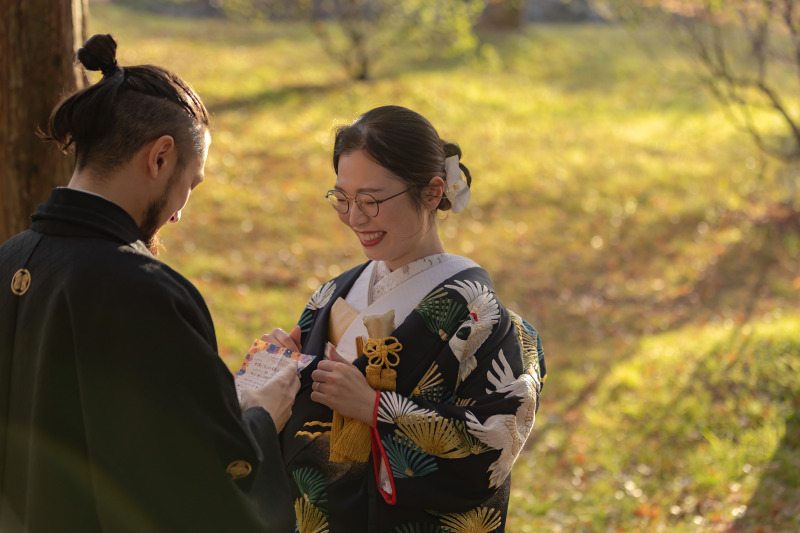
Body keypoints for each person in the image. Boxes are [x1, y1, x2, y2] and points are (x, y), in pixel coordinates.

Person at [0, 34, 298, 533]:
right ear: (160, 157)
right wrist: (260, 418)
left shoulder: (9, 258)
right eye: (191, 183)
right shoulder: (143, 290)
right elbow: (198, 480)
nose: (180, 212)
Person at [264, 105, 547, 532]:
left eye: (372, 201)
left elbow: (494, 444)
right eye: (342, 198)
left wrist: (376, 407)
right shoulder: (334, 292)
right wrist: (282, 371)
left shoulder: (479, 315)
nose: (354, 217)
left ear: (433, 193)